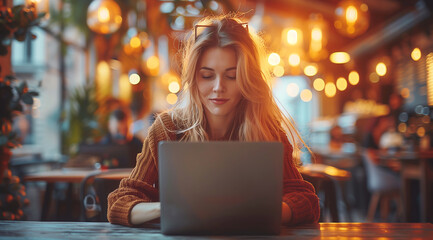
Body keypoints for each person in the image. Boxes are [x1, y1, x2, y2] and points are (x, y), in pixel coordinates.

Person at [107, 15, 320, 226]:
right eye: (207, 76)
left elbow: (307, 201)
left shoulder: (267, 131)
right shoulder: (168, 129)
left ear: (248, 79)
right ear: (193, 79)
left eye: (232, 76)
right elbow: (119, 203)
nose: (218, 87)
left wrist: (262, 213)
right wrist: (171, 207)